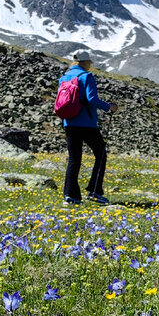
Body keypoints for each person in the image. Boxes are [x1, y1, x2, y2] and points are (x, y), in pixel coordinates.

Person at [58, 51, 116, 205]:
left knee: (74, 159)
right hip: (87, 123)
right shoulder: (86, 76)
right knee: (101, 154)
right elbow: (92, 99)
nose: (90, 64)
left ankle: (70, 195)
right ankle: (95, 191)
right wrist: (109, 107)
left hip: (69, 123)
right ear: (85, 62)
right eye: (90, 62)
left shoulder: (64, 78)